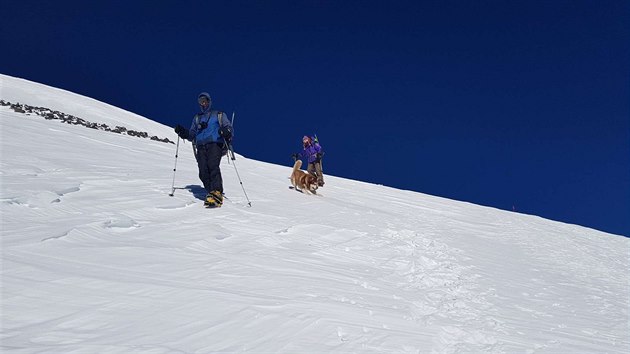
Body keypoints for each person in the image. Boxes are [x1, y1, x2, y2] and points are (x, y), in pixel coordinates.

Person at [174, 92, 233, 208]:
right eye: (201, 102)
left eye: (205, 101)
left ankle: (216, 192)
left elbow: (228, 126)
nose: (203, 103)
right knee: (203, 171)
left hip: (214, 144)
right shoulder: (197, 118)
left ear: (209, 101)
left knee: (213, 166)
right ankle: (211, 192)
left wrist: (226, 131)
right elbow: (192, 134)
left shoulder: (218, 114)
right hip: (200, 146)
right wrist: (183, 132)